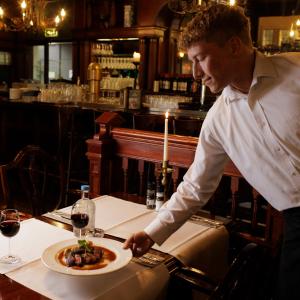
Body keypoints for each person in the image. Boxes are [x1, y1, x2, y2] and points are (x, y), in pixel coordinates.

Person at [123, 4, 300, 299]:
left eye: (200, 58)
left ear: (233, 46)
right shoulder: (218, 119)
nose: (195, 73)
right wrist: (153, 233)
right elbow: (195, 187)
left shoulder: (296, 71)